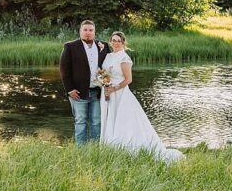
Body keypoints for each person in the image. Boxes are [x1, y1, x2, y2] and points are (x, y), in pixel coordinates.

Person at [100, 31, 184, 163]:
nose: (116, 43)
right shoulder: (109, 56)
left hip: (120, 94)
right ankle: (109, 146)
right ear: (111, 41)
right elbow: (104, 73)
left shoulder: (124, 58)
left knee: (122, 120)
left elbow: (128, 80)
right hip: (107, 93)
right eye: (114, 40)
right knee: (110, 118)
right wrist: (104, 84)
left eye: (118, 41)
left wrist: (113, 88)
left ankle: (124, 146)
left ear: (123, 43)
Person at [58, 20, 107, 144]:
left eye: (91, 30)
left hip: (97, 93)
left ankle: (96, 149)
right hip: (78, 92)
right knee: (81, 121)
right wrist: (69, 90)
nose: (88, 33)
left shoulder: (103, 46)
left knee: (97, 122)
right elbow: (64, 70)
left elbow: (110, 67)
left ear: (94, 32)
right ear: (80, 31)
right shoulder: (70, 46)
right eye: (85, 30)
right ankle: (81, 151)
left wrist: (108, 85)